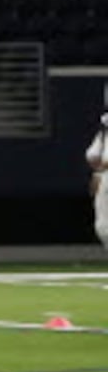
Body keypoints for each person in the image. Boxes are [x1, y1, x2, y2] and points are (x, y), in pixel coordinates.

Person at [86, 81, 108, 255]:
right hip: (105, 176)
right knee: (102, 227)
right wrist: (98, 172)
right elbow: (92, 155)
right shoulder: (104, 125)